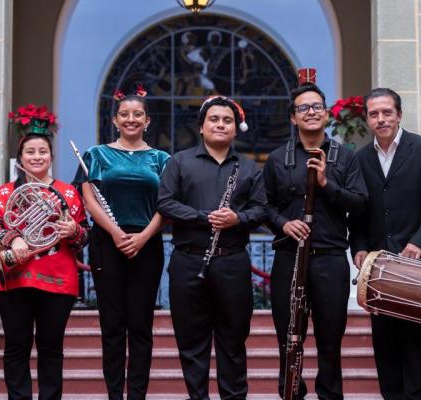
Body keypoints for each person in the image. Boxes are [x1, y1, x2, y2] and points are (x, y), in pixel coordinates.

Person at [263, 71, 368, 400]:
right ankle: (292, 395)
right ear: (293, 118)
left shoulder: (346, 157)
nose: (310, 112)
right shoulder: (278, 159)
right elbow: (262, 206)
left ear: (326, 113)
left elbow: (360, 203)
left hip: (330, 259)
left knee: (330, 341)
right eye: (302, 108)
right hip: (288, 258)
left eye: (316, 107)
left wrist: (326, 184)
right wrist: (283, 224)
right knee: (288, 340)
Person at [157, 95, 267, 400]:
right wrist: (203, 217)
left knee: (233, 341)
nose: (220, 125)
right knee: (192, 343)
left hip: (232, 262)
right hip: (188, 261)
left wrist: (237, 218)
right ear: (202, 127)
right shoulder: (179, 161)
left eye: (227, 121)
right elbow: (165, 203)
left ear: (235, 129)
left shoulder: (248, 167)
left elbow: (261, 210)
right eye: (214, 120)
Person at [0, 105, 89, 400]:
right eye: (30, 152)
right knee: (17, 345)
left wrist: (73, 232)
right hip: (14, 279)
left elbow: (84, 236)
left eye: (42, 151)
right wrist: (13, 237)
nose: (37, 157)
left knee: (51, 348)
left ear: (51, 157)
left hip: (58, 278)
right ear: (21, 158)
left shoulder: (68, 193)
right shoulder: (5, 193)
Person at [73, 86, 170, 400]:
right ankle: (115, 394)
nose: (131, 119)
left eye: (137, 114)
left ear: (147, 121)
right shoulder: (96, 155)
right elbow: (89, 200)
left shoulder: (162, 158)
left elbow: (167, 205)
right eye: (124, 114)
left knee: (141, 325)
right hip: (107, 242)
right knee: (112, 325)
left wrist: (142, 237)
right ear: (115, 120)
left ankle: (137, 395)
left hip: (147, 242)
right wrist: (116, 233)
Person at [349, 88, 421, 400]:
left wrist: (418, 243)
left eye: (387, 112)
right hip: (377, 268)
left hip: (413, 266)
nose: (381, 119)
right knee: (385, 348)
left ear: (399, 114)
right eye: (374, 114)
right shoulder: (360, 158)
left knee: (413, 345)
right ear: (367, 119)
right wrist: (359, 246)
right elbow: (358, 209)